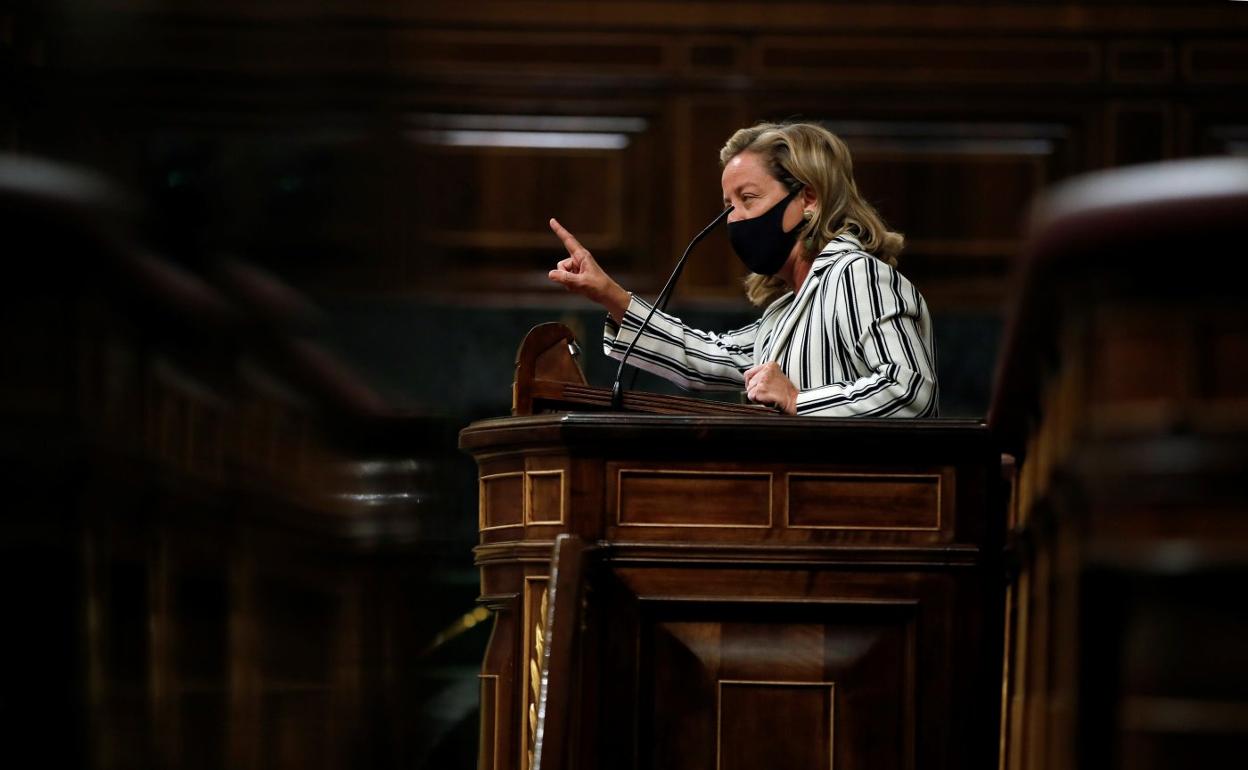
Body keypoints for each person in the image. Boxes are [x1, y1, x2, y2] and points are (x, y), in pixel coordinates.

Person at [547, 121, 938, 417]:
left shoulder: (856, 277)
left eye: (747, 198)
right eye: (727, 206)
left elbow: (910, 389)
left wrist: (797, 399)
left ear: (809, 198)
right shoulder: (784, 311)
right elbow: (705, 356)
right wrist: (609, 294)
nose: (733, 219)